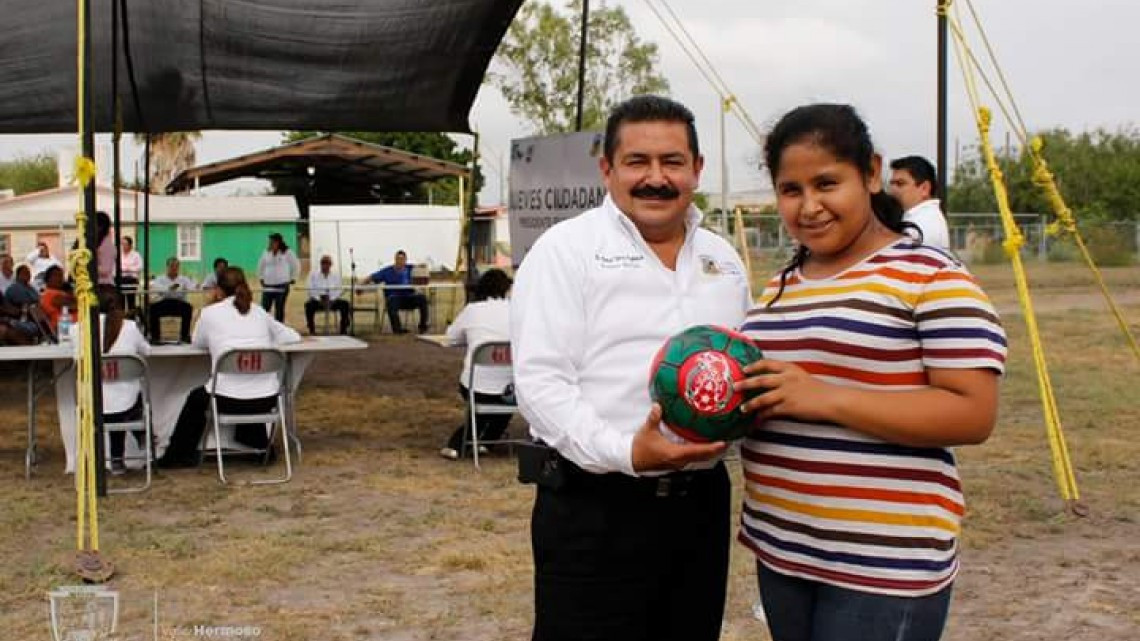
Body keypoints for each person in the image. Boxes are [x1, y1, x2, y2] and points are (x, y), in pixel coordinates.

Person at [734, 104, 1007, 641]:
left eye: (827, 183)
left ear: (872, 172)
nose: (809, 206)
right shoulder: (781, 286)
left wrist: (824, 398)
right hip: (784, 551)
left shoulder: (931, 277)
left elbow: (973, 413)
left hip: (882, 566)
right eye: (791, 190)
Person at [510, 95, 751, 641]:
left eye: (672, 162)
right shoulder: (566, 251)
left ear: (697, 169)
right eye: (637, 162)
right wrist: (627, 452)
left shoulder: (724, 259)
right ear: (608, 169)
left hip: (701, 506)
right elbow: (541, 384)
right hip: (596, 511)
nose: (655, 179)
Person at [159, 267, 301, 468]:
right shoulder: (259, 312)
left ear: (218, 289)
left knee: (196, 398)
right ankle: (258, 445)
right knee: (247, 388)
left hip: (226, 399)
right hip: (266, 398)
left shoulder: (210, 313)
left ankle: (178, 455)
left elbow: (196, 342)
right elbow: (293, 336)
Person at [438, 268, 513, 461]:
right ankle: (487, 441)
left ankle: (458, 444)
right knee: (503, 402)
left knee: (479, 401)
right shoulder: (519, 310)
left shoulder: (472, 310)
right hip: (511, 389)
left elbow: (451, 338)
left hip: (475, 386)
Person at [85, 289, 151, 475]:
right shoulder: (129, 327)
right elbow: (148, 351)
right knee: (127, 399)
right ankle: (122, 455)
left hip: (91, 402)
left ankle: (99, 460)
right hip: (126, 404)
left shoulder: (81, 327)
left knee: (111, 398)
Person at [889, 155, 951, 250]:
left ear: (924, 188)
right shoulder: (922, 217)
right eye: (892, 184)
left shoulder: (921, 224)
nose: (893, 190)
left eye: (900, 184)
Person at [365, 250, 428, 334]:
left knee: (422, 298)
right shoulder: (387, 271)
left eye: (402, 259)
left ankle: (423, 326)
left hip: (409, 297)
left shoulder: (411, 269)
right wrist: (361, 284)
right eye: (398, 259)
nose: (400, 261)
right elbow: (372, 277)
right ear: (395, 260)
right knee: (391, 302)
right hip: (395, 298)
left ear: (405, 260)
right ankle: (397, 329)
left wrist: (423, 267)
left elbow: (421, 269)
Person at [148, 257, 196, 344]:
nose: (174, 268)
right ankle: (155, 337)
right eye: (172, 266)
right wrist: (169, 288)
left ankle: (184, 336)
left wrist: (195, 284)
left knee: (188, 308)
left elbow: (191, 287)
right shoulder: (160, 279)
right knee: (153, 308)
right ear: (167, 267)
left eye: (176, 266)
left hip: (179, 302)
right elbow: (158, 290)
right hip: (164, 302)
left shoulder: (184, 279)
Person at [257, 232, 300, 323]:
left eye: (272, 242)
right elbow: (261, 265)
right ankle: (263, 327)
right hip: (268, 285)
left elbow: (296, 265)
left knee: (279, 308)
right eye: (270, 242)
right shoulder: (266, 252)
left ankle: (279, 328)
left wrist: (293, 278)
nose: (270, 244)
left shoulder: (287, 252)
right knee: (264, 308)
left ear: (278, 242)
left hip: (282, 285)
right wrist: (261, 277)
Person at [304, 255, 350, 335]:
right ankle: (312, 329)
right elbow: (310, 288)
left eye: (327, 263)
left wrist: (332, 299)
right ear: (320, 264)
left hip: (332, 301)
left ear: (330, 265)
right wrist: (318, 299)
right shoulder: (313, 274)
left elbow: (339, 289)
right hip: (317, 301)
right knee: (308, 305)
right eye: (323, 263)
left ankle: (343, 329)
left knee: (345, 304)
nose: (325, 266)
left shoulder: (336, 275)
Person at [39, 265, 76, 331]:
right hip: (65, 328)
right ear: (48, 278)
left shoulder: (58, 292)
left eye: (61, 275)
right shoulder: (50, 293)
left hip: (72, 325)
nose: (60, 278)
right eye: (56, 275)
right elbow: (74, 305)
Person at [120, 236, 143, 311]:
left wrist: (129, 269)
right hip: (121, 279)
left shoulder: (136, 255)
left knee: (131, 300)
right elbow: (116, 267)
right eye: (122, 244)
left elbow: (139, 267)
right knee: (121, 301)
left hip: (131, 279)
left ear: (130, 245)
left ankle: (131, 318)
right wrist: (125, 268)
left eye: (125, 244)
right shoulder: (119, 254)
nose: (123, 246)